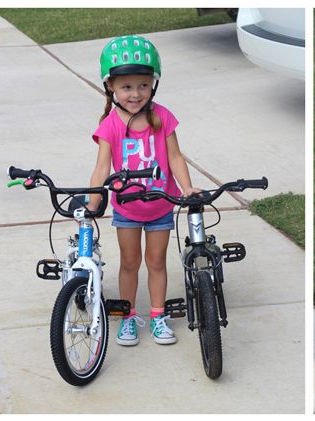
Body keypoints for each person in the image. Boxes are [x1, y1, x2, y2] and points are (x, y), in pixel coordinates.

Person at [87, 35, 200, 346]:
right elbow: (101, 167)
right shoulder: (110, 124)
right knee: (129, 263)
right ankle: (127, 317)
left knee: (157, 262)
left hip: (160, 206)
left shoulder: (162, 116)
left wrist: (187, 187)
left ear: (153, 84)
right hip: (127, 208)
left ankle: (158, 315)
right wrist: (93, 201)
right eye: (126, 87)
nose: (135, 93)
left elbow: (176, 157)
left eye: (143, 85)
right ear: (110, 86)